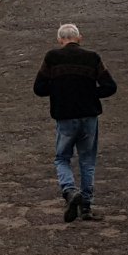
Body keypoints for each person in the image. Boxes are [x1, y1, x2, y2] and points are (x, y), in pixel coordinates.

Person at [33, 22, 117, 222]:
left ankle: (70, 191)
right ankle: (86, 207)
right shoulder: (92, 58)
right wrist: (90, 94)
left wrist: (59, 90)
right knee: (87, 160)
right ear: (80, 38)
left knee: (62, 157)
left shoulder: (52, 58)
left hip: (65, 116)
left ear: (60, 40)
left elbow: (39, 88)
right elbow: (110, 86)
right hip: (88, 116)